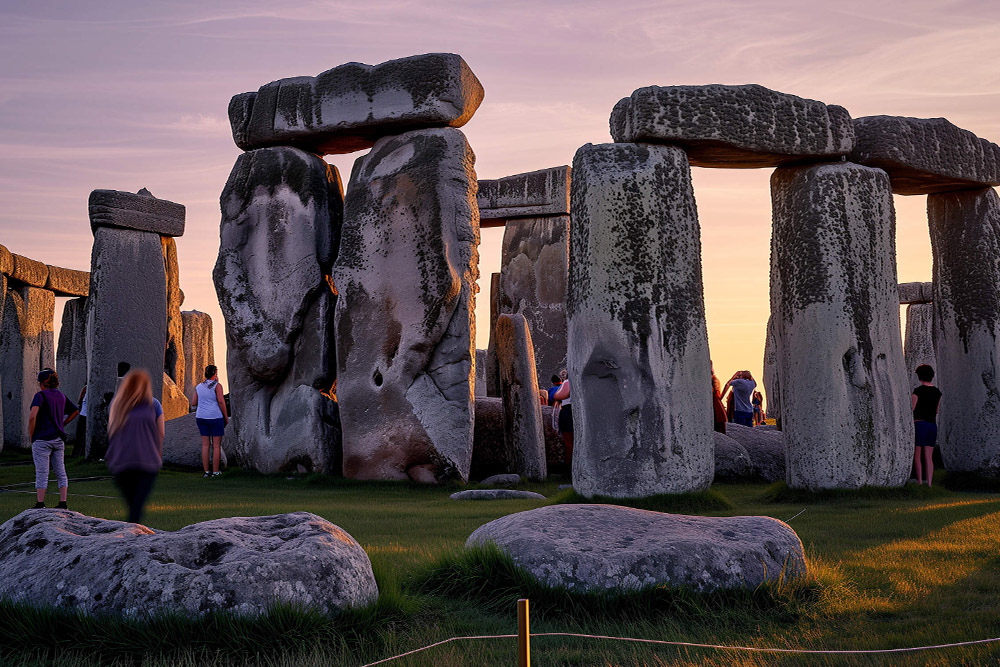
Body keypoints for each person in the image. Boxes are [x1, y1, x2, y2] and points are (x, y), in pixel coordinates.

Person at [105, 369, 164, 524]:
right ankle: (134, 532)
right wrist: (158, 453)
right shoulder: (154, 404)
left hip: (121, 460)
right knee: (137, 505)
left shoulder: (117, 404)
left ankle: (132, 529)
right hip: (146, 459)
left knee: (132, 502)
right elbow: (161, 433)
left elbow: (111, 431)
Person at [28, 369, 79, 509]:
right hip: (58, 438)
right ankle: (63, 502)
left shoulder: (40, 396)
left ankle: (40, 503)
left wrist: (32, 435)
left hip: (42, 438)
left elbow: (33, 416)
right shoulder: (61, 396)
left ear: (43, 383)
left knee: (42, 471)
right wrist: (62, 424)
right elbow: (75, 411)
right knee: (60, 470)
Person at [191, 364, 228, 478]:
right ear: (215, 373)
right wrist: (225, 417)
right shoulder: (217, 386)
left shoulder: (199, 387)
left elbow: (193, 403)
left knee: (205, 445)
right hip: (215, 417)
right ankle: (215, 471)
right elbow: (221, 402)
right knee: (216, 446)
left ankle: (207, 471)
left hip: (201, 417)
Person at [912, 364, 942, 487]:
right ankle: (929, 483)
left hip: (919, 424)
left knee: (917, 455)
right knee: (929, 457)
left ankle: (919, 481)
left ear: (920, 376)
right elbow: (936, 411)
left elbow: (912, 409)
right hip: (932, 425)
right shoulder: (938, 392)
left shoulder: (917, 391)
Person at [553, 369, 573, 466]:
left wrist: (557, 394)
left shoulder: (568, 382)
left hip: (568, 412)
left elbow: (559, 395)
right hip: (576, 411)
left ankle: (569, 466)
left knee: (569, 442)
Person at [71, 384, 88, 458]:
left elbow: (80, 402)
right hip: (84, 415)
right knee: (81, 436)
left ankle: (78, 453)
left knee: (80, 436)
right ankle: (79, 453)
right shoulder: (86, 389)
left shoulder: (86, 388)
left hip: (83, 415)